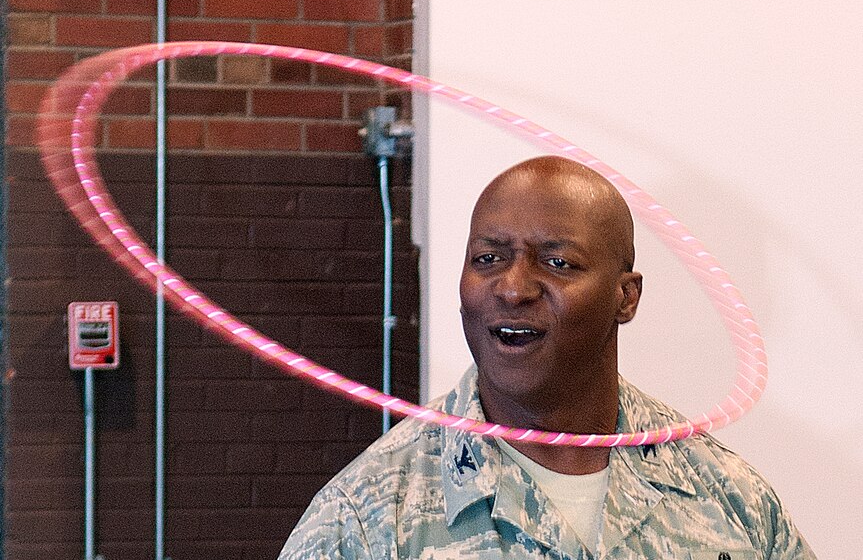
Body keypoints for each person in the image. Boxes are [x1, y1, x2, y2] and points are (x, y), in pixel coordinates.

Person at [279, 155, 815, 559]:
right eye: (488, 259)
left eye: (558, 263)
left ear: (625, 297)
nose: (513, 288)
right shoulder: (367, 517)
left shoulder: (728, 498)